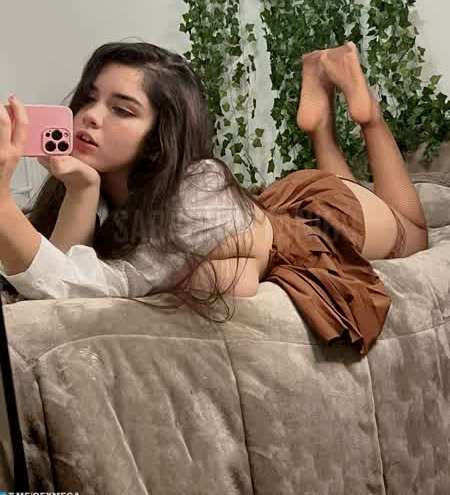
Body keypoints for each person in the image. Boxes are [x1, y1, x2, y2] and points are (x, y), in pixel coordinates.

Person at [0, 41, 428, 354]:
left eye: (122, 109)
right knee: (221, 275)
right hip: (267, 210)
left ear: (159, 137)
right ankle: (319, 125)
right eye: (90, 98)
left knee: (413, 232)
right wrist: (82, 189)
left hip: (322, 215)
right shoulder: (102, 187)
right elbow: (63, 287)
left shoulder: (197, 193)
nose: (90, 116)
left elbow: (87, 287)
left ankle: (367, 115)